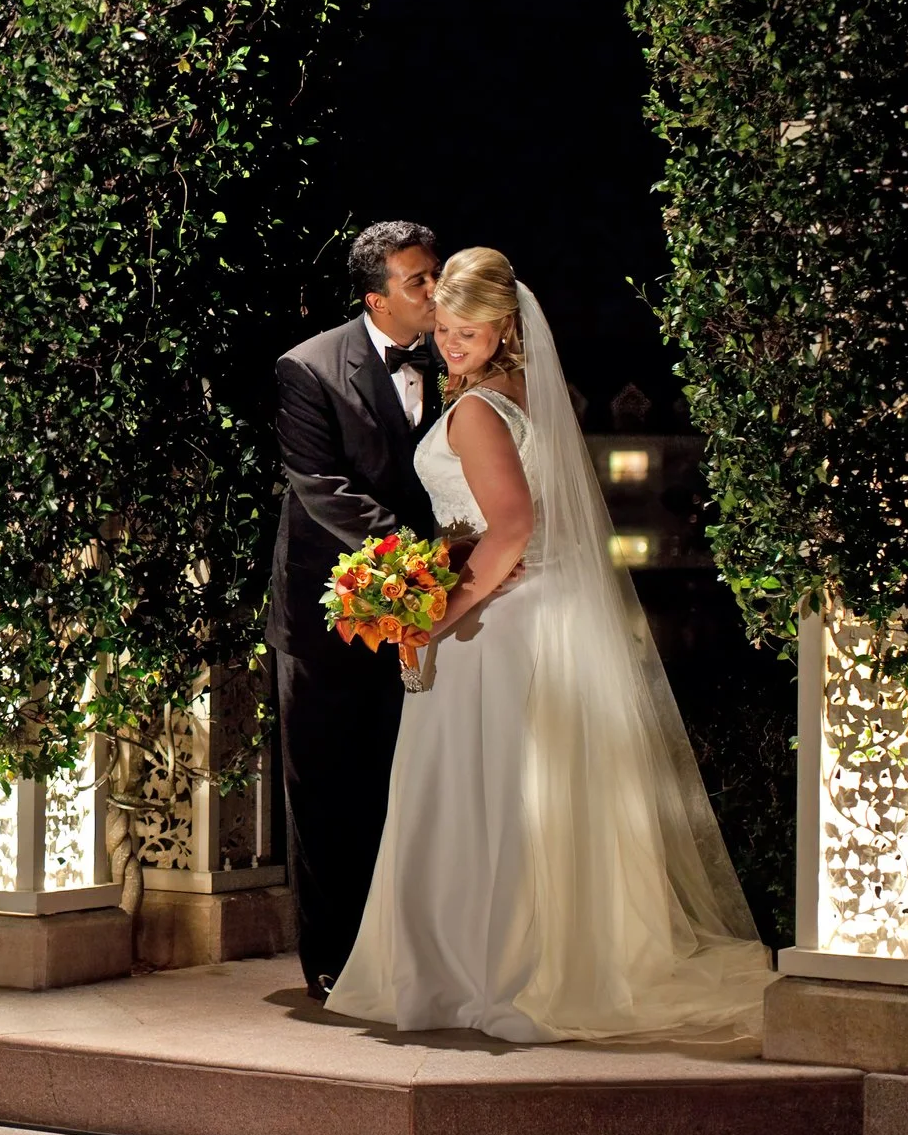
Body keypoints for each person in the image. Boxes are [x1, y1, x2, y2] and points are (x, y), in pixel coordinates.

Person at [325, 247, 773, 1041]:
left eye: (470, 331)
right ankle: (528, 953)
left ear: (504, 326)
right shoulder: (519, 392)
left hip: (497, 622)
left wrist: (435, 615)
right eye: (445, 330)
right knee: (517, 791)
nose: (453, 345)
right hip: (530, 609)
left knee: (483, 788)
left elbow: (515, 528)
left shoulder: (473, 411)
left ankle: (479, 969)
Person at [267, 220, 444, 998]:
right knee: (330, 794)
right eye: (418, 281)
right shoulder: (306, 368)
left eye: (435, 274)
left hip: (433, 617)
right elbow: (322, 489)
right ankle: (334, 962)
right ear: (377, 297)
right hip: (329, 617)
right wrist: (427, 557)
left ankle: (411, 956)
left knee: (412, 789)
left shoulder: (458, 357)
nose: (435, 292)